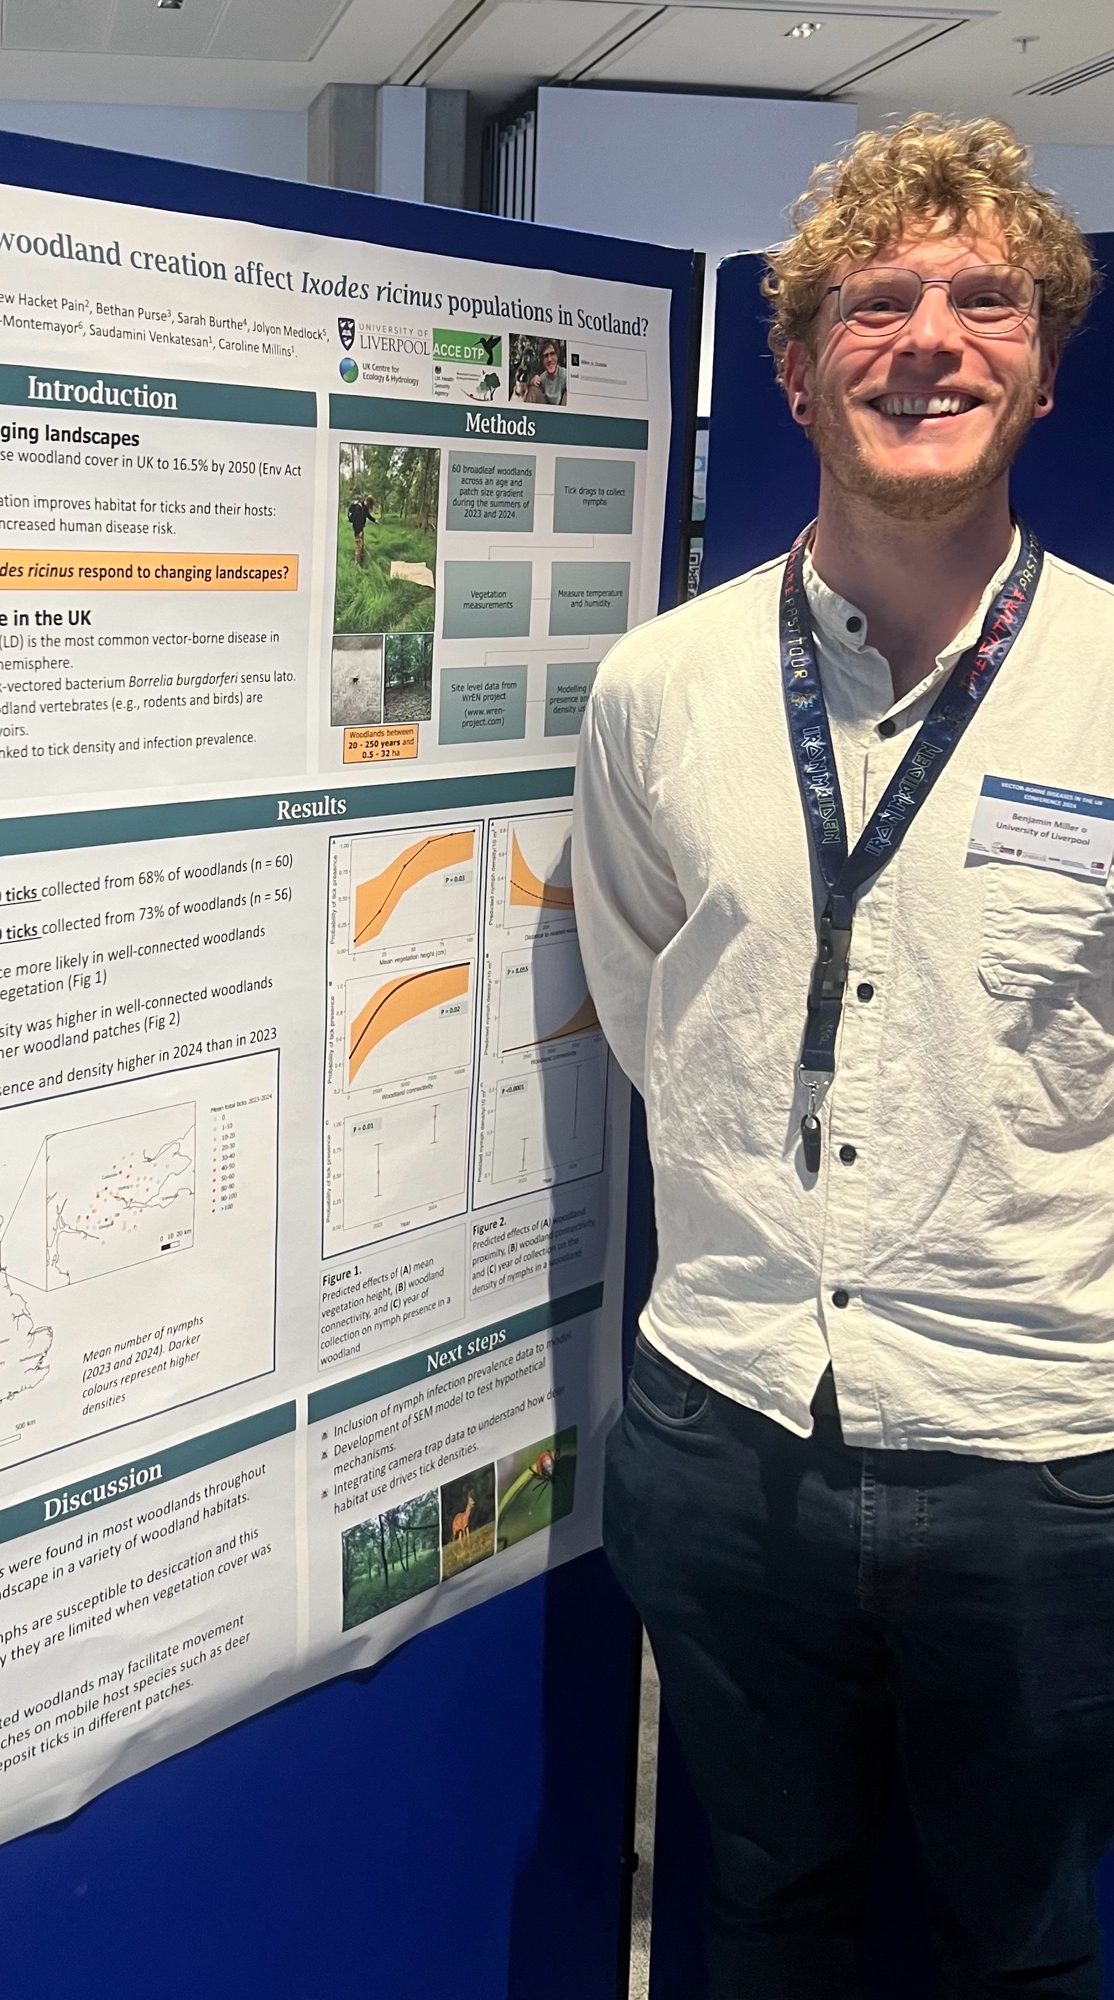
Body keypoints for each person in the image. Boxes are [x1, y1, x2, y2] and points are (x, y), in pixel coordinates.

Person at [573, 113, 1114, 1998]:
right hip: (726, 1421)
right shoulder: (658, 688)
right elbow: (648, 999)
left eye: (985, 300)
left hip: (1037, 1452)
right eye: (875, 303)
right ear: (798, 373)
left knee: (1024, 1944)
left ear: (1042, 368)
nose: (930, 339)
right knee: (760, 1912)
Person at [347, 491, 376, 566]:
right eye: (370, 506)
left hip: (361, 528)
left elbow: (368, 515)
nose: (369, 508)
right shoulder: (358, 508)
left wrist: (375, 520)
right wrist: (358, 532)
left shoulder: (364, 508)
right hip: (357, 529)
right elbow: (356, 521)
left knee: (361, 545)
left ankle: (361, 559)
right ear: (368, 502)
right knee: (358, 546)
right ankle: (357, 564)